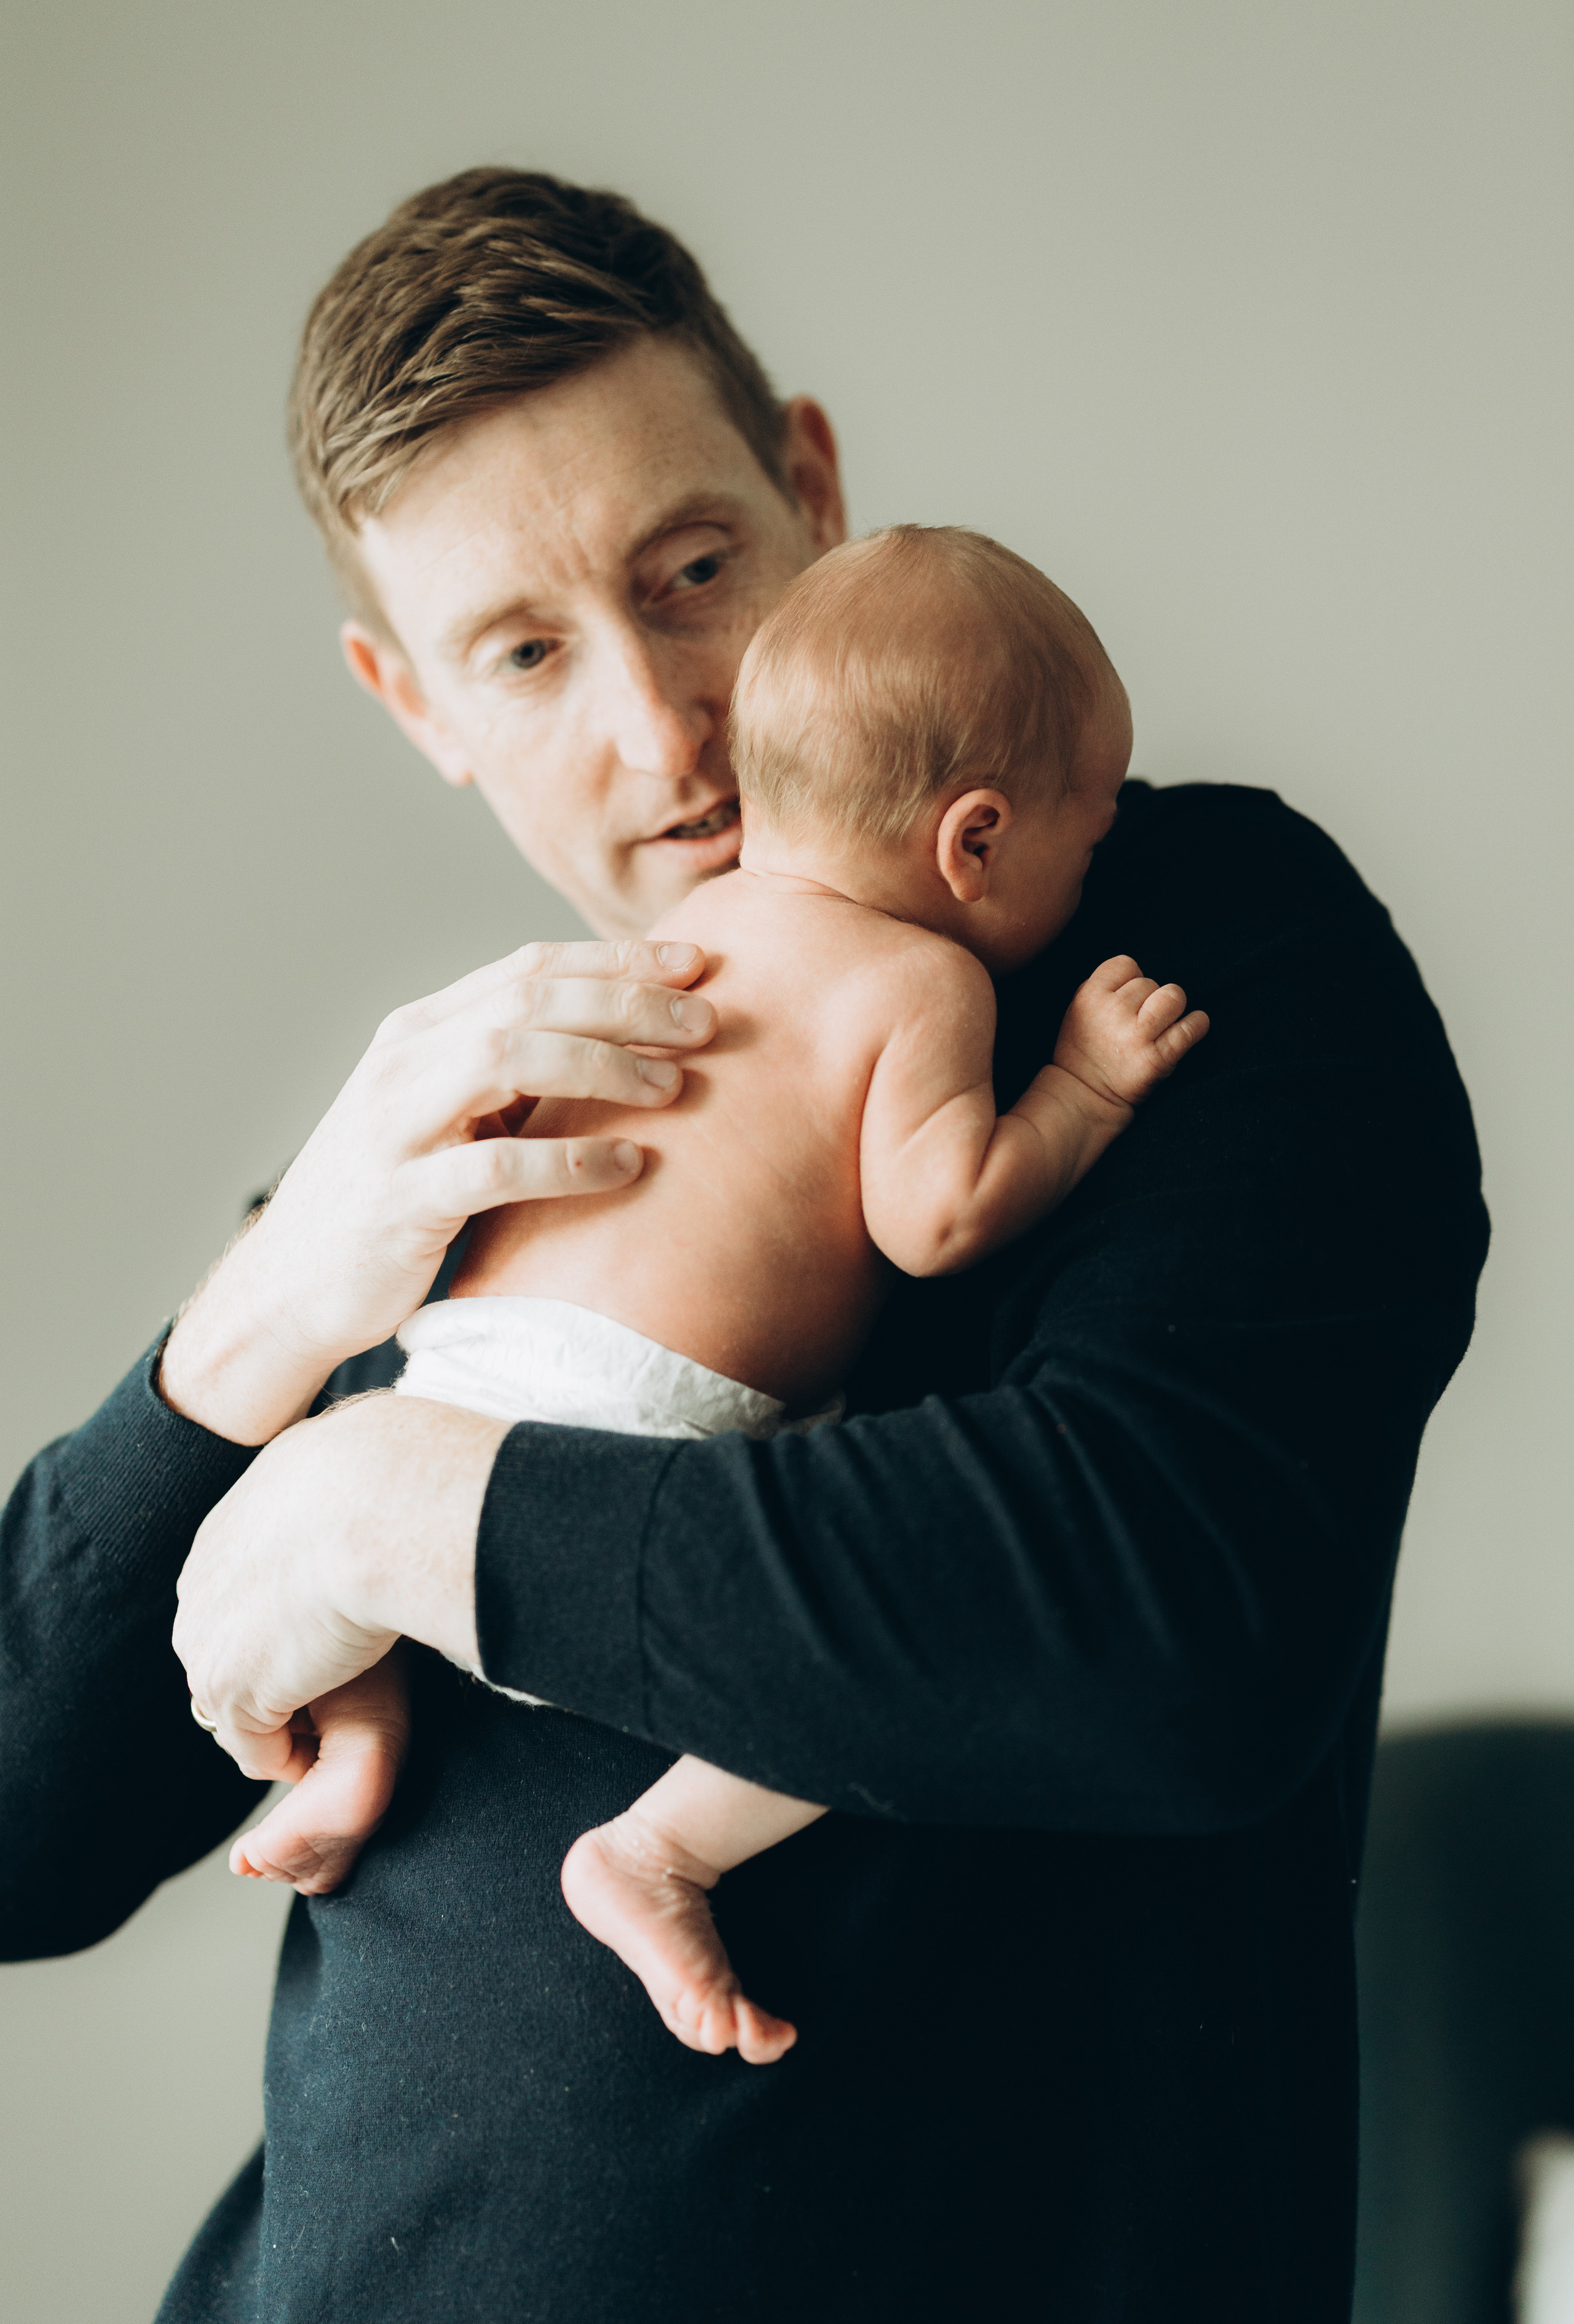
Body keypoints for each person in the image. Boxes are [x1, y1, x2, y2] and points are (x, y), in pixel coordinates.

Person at [0, 168, 1487, 2322]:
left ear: (809, 485)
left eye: (691, 571)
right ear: (411, 701)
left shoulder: (1179, 951)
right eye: (522, 652)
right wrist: (256, 1324)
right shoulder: (460, 1134)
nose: (664, 726)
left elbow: (1169, 1614)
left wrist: (395, 1500)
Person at [225, 525, 1209, 2071]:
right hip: (636, 1426)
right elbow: (936, 1215)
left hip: (457, 1370)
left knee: (365, 1592)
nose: (1089, 871)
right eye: (1078, 843)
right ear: (973, 842)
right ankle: (658, 1854)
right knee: (848, 1678)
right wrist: (1080, 1090)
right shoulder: (918, 982)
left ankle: (346, 1757)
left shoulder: (666, 939)